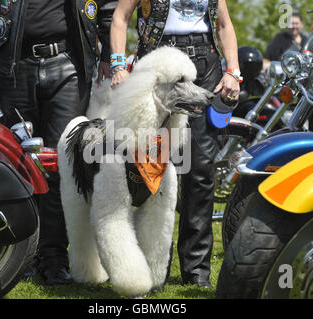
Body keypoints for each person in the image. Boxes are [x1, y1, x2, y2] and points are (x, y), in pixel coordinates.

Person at [0, 0, 116, 285]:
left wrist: (108, 52)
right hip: (14, 67)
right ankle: (21, 255)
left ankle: (54, 259)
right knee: (19, 165)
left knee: (60, 167)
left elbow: (107, 6)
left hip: (67, 66)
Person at [110, 0, 240, 288]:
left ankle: (196, 271)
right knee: (151, 170)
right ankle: (155, 267)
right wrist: (118, 65)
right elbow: (121, 16)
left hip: (205, 67)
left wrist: (233, 70)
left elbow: (223, 24)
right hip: (158, 66)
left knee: (201, 172)